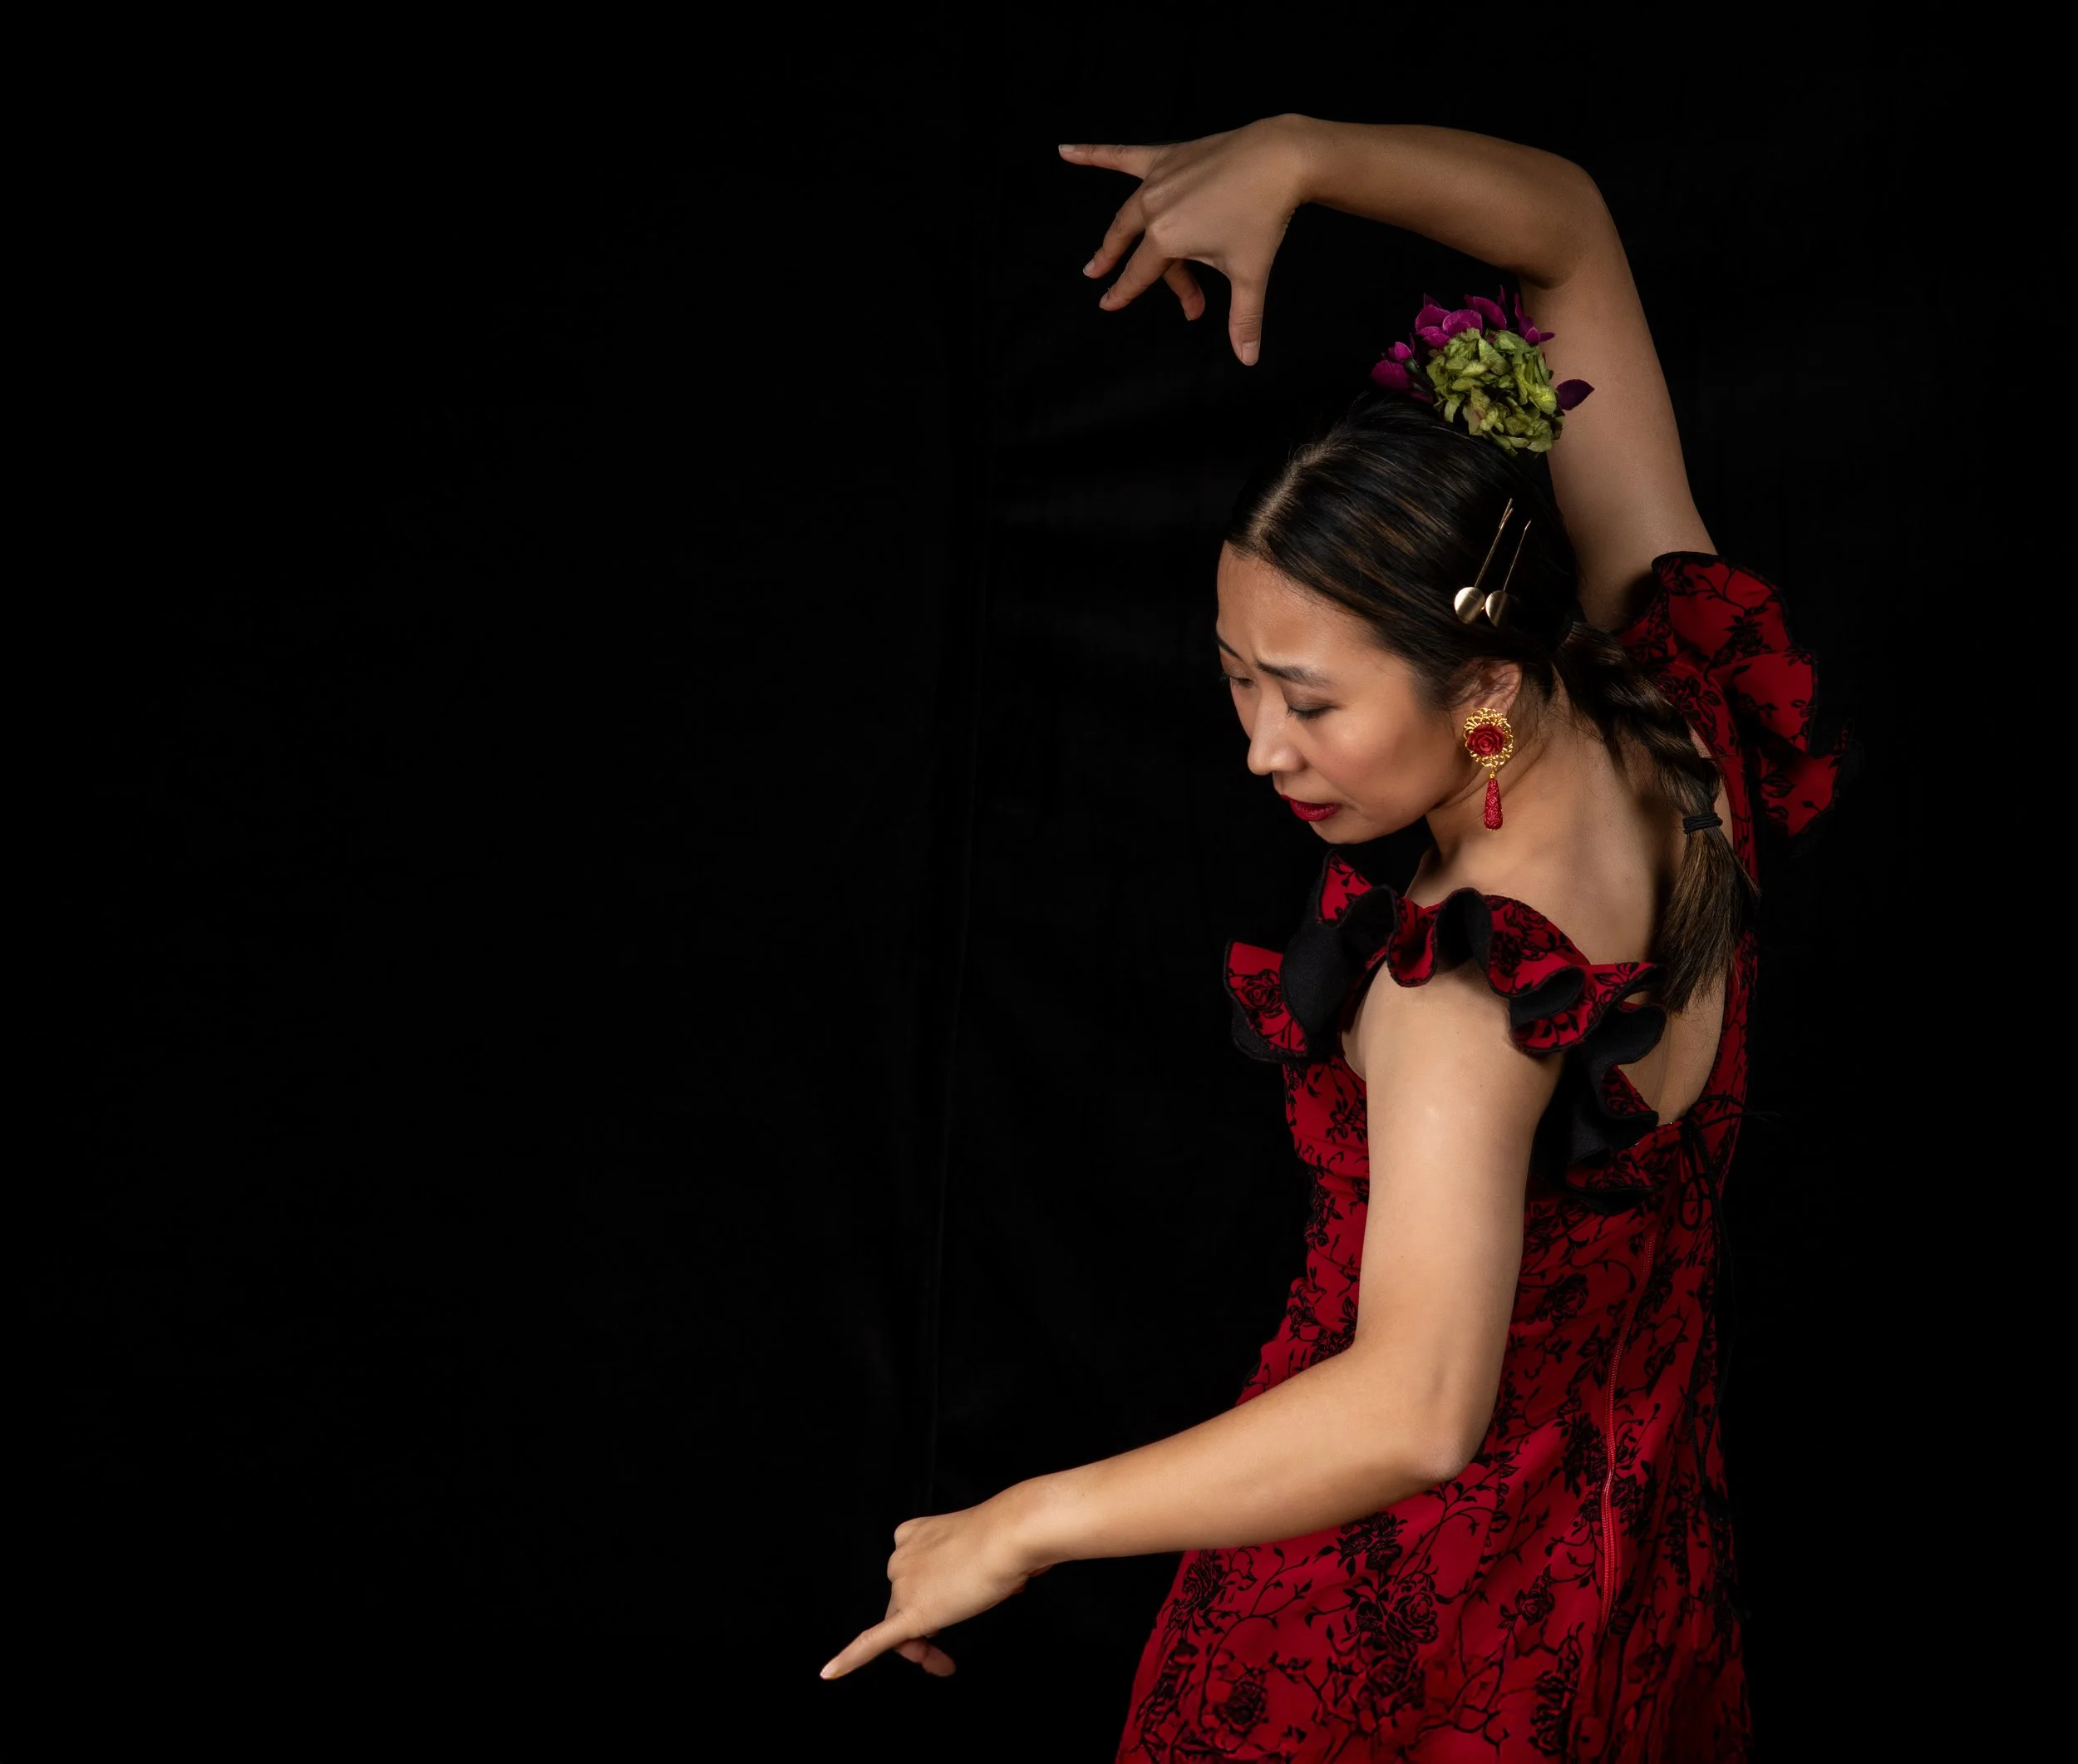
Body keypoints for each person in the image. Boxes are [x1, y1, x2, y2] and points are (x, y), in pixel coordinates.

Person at [820, 116, 1851, 1761]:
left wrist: (1017, 1522)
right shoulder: (1677, 708)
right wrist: (1301, 154)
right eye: (1238, 676)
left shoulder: (1465, 985)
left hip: (1399, 1646)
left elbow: (1417, 1407)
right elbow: (1567, 231)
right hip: (1633, 1579)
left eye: (1306, 700)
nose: (1259, 748)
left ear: (1481, 690)